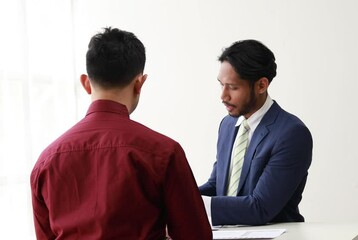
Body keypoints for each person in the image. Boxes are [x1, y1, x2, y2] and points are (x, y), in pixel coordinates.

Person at [30, 27, 212, 240]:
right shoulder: (164, 152)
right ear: (139, 83)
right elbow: (195, 234)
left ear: (86, 83)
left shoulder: (46, 160)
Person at [199, 39, 313, 226]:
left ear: (261, 85)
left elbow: (260, 207)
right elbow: (217, 186)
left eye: (233, 87)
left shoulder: (291, 134)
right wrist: (173, 197)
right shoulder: (228, 125)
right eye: (221, 85)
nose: (223, 96)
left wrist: (190, 203)